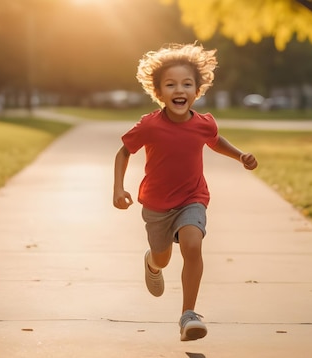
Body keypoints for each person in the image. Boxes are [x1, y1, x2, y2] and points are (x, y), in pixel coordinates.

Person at [112, 43, 258, 341]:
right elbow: (123, 152)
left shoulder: (204, 124)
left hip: (192, 199)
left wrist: (241, 155)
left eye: (187, 84)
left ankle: (188, 314)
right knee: (163, 257)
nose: (180, 89)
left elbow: (215, 141)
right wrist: (118, 188)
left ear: (197, 90)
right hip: (156, 205)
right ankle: (152, 262)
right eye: (171, 84)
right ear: (159, 93)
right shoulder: (149, 125)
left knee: (193, 245)